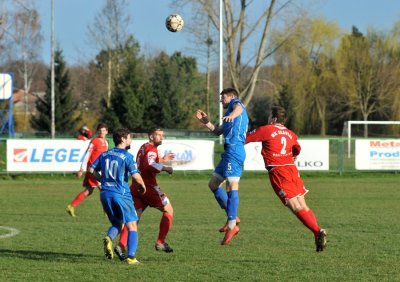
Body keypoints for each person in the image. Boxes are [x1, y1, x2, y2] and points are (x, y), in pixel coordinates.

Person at [245, 106, 327, 252]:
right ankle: (316, 233)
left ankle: (317, 231)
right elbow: (297, 149)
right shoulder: (290, 133)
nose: (268, 119)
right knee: (303, 205)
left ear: (274, 119)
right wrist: (293, 154)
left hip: (278, 171)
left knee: (295, 207)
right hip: (292, 169)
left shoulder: (267, 129)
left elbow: (245, 139)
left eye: (270, 117)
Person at [195, 87, 249, 245]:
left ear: (231, 97)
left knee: (232, 186)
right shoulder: (227, 115)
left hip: (236, 150)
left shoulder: (236, 105)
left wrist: (232, 114)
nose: (221, 100)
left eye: (223, 98)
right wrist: (206, 122)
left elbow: (239, 107)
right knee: (213, 184)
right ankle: (232, 216)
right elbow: (218, 131)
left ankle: (232, 225)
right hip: (228, 152)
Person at [89, 128, 146, 265]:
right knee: (132, 225)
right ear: (122, 139)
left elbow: (91, 170)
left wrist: (102, 180)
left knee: (117, 223)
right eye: (129, 137)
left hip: (105, 194)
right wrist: (143, 185)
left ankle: (109, 237)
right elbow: (136, 176)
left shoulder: (104, 154)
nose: (130, 140)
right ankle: (131, 258)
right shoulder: (127, 156)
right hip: (121, 194)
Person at [115, 127, 175, 258]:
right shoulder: (152, 150)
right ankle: (160, 242)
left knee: (133, 218)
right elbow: (149, 165)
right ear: (151, 136)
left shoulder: (144, 147)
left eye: (162, 135)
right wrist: (166, 168)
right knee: (169, 210)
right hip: (148, 187)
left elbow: (146, 163)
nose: (161, 137)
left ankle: (121, 245)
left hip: (136, 186)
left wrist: (162, 160)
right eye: (158, 135)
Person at [65, 123, 108, 217]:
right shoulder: (94, 141)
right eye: (100, 131)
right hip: (93, 170)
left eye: (104, 130)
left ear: (107, 132)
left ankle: (71, 206)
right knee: (104, 189)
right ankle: (108, 211)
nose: (102, 132)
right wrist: (82, 169)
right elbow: (87, 155)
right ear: (98, 131)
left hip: (100, 170)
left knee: (89, 190)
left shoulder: (106, 142)